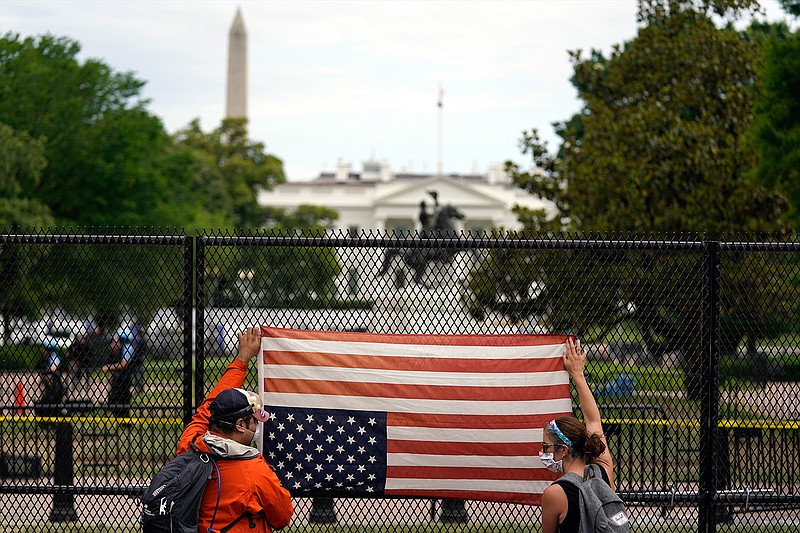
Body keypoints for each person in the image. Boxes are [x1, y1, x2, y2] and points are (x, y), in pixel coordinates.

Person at [176, 326, 293, 532]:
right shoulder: (254, 469)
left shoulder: (191, 445)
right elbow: (282, 517)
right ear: (240, 425)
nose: (256, 427)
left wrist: (242, 360)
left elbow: (207, 408)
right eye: (253, 421)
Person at [540, 338, 616, 533]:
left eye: (546, 447)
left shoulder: (554, 494)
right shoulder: (603, 472)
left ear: (563, 450)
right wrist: (578, 374)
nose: (543, 453)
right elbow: (593, 422)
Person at [99, 325, 136, 417]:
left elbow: (124, 364)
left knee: (123, 402)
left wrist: (108, 367)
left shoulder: (128, 347)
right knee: (113, 398)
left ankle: (125, 422)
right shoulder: (123, 348)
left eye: (119, 339)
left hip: (124, 380)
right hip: (118, 379)